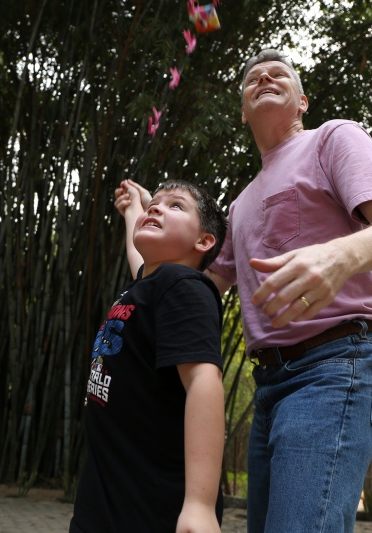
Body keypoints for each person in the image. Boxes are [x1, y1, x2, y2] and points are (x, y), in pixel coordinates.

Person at [116, 49, 372, 532]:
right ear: (243, 111)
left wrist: (338, 256)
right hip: (271, 386)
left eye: (277, 74)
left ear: (302, 100)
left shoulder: (332, 139)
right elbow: (173, 286)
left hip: (333, 366)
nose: (263, 77)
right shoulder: (240, 206)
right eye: (252, 78)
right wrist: (137, 216)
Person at [70, 179, 229, 533]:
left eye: (175, 206)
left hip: (154, 508)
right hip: (106, 501)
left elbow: (204, 380)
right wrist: (132, 209)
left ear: (203, 241)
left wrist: (200, 505)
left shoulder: (184, 285)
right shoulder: (147, 285)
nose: (155, 208)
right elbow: (137, 258)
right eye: (154, 203)